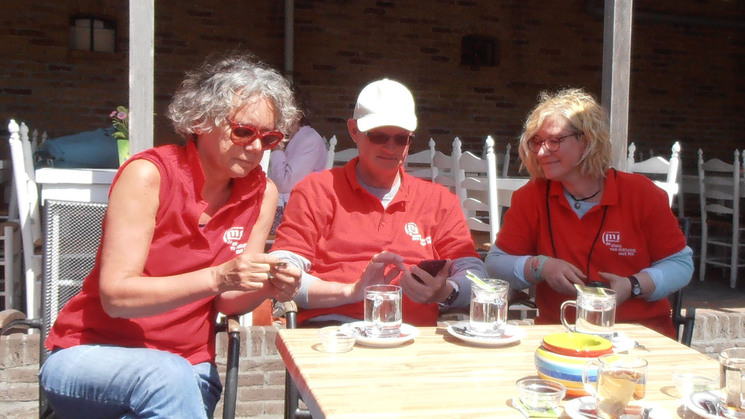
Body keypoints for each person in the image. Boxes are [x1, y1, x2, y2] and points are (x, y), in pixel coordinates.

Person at [39, 53, 303, 418]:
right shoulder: (150, 175)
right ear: (200, 121)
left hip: (187, 365)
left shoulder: (262, 194)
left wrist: (268, 286)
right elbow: (116, 297)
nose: (257, 147)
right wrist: (218, 276)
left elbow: (227, 302)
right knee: (167, 377)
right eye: (243, 131)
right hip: (91, 354)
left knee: (172, 380)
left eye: (269, 137)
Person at [269, 78, 486, 327]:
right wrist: (352, 292)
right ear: (354, 131)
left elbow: (475, 273)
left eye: (402, 138)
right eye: (378, 136)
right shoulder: (316, 190)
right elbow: (283, 271)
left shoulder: (439, 200)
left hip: (411, 335)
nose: (390, 148)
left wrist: (447, 291)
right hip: (334, 329)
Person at [485, 88, 693, 338]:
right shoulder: (531, 197)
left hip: (639, 335)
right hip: (560, 334)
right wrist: (540, 266)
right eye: (537, 142)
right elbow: (495, 264)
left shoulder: (641, 194)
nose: (541, 152)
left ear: (588, 141)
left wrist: (633, 285)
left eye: (554, 141)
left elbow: (680, 265)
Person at [268, 111, 327, 233]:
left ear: (298, 115)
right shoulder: (293, 138)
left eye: (281, 112)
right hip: (277, 205)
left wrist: (277, 148)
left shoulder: (309, 140)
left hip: (295, 213)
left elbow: (284, 184)